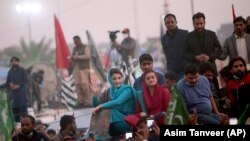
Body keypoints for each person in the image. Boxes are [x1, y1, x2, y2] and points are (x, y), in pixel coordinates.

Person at [91, 68, 137, 138]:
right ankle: (96, 135)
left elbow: (118, 102)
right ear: (110, 80)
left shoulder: (127, 89)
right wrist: (95, 94)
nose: (117, 81)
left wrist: (100, 106)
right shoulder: (109, 91)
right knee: (100, 111)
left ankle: (100, 135)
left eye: (119, 78)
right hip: (115, 122)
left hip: (128, 122)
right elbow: (96, 106)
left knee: (109, 110)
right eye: (114, 79)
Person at [161, 13, 188, 79]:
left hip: (185, 71)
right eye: (167, 22)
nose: (170, 24)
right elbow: (167, 55)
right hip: (172, 73)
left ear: (176, 22)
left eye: (172, 22)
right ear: (165, 24)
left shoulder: (184, 34)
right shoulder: (163, 38)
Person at [71, 35, 91, 108]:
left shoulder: (85, 47)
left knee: (85, 85)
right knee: (78, 85)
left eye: (76, 41)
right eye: (74, 41)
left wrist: (78, 57)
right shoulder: (74, 48)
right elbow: (72, 56)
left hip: (84, 68)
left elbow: (88, 56)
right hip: (76, 68)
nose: (75, 43)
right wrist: (72, 58)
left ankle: (87, 101)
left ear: (79, 40)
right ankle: (80, 101)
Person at [6, 57, 28, 122]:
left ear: (18, 62)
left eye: (15, 61)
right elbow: (7, 82)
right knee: (15, 114)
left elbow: (26, 81)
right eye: (12, 61)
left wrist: (18, 86)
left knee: (23, 113)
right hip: (13, 96)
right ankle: (16, 128)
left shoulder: (22, 70)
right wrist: (10, 84)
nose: (14, 62)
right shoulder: (10, 71)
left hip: (21, 95)